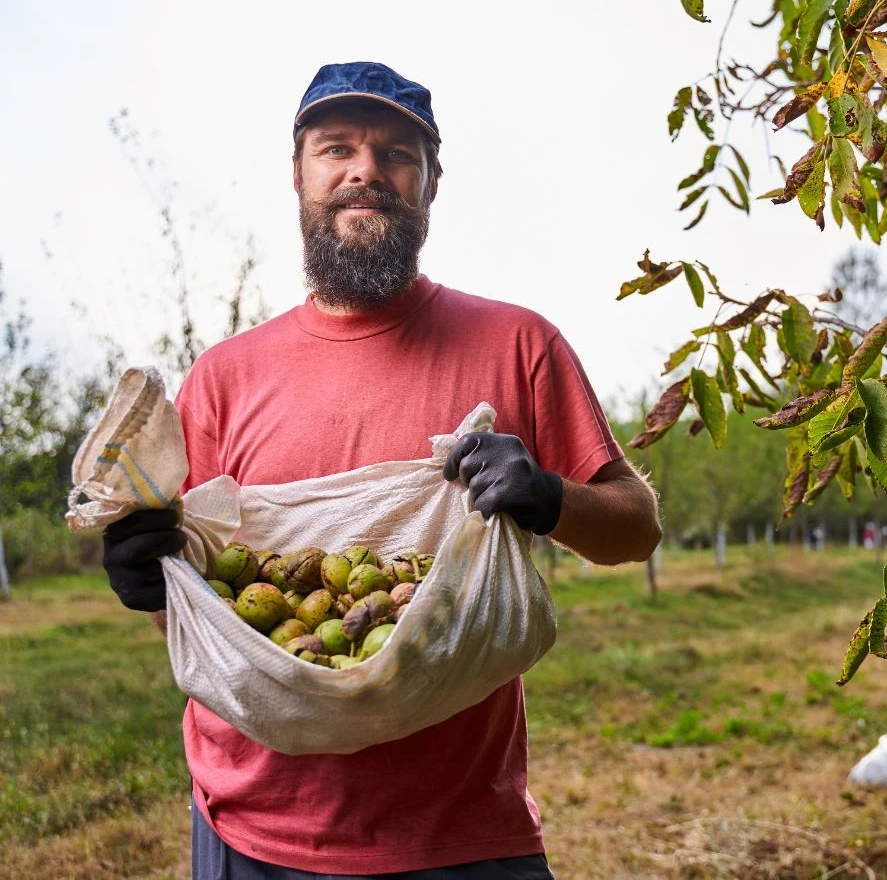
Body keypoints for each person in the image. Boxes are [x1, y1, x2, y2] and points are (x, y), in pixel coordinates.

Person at [97, 61, 663, 878]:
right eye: (338, 148)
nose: (367, 170)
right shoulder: (222, 376)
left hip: (461, 835)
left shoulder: (517, 343)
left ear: (432, 183)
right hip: (251, 830)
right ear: (298, 173)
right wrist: (153, 584)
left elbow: (635, 528)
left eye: (399, 153)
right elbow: (208, 621)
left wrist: (547, 495)